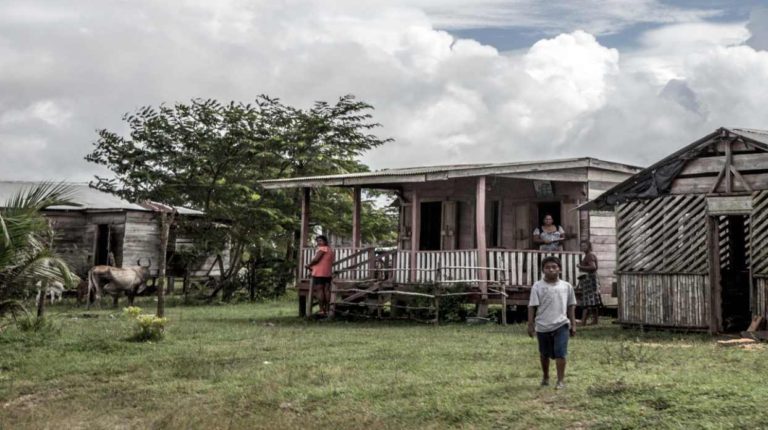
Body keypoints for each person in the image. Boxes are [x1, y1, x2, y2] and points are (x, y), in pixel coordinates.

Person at [527, 256, 576, 390]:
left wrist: (573, 324)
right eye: (547, 267)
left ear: (559, 269)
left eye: (554, 267)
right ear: (543, 270)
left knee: (561, 353)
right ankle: (546, 377)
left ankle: (560, 380)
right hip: (543, 326)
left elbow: (571, 305)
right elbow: (532, 306)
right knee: (544, 354)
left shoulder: (566, 286)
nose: (551, 270)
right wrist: (530, 325)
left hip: (561, 324)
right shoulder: (537, 286)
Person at [305, 235, 335, 316]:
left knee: (319, 290)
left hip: (319, 273)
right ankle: (328, 309)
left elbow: (316, 260)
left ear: (325, 242)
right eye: (317, 241)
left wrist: (309, 265)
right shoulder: (330, 250)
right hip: (327, 273)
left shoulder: (322, 249)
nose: (318, 242)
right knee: (326, 290)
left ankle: (322, 310)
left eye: (320, 241)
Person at [577, 241, 602, 326]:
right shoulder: (589, 255)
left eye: (584, 246)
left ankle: (583, 322)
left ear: (589, 246)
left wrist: (580, 267)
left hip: (590, 280)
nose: (582, 248)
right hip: (591, 279)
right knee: (593, 301)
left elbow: (593, 267)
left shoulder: (589, 255)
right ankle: (595, 321)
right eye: (581, 246)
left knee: (587, 301)